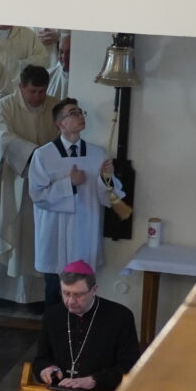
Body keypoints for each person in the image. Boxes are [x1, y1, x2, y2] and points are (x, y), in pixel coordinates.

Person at [27, 98, 125, 303]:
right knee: (55, 294)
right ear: (60, 123)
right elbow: (37, 195)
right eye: (73, 113)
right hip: (55, 234)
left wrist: (107, 177)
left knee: (83, 295)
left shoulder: (97, 153)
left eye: (81, 112)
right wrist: (69, 184)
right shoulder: (43, 155)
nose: (80, 116)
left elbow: (108, 197)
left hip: (85, 233)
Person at [0, 63, 62, 306]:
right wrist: (34, 153)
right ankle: (6, 293)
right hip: (15, 179)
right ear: (21, 87)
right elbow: (1, 137)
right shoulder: (5, 105)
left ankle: (37, 296)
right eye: (32, 92)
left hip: (46, 183)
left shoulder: (54, 106)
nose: (38, 97)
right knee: (13, 230)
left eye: (42, 91)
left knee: (38, 237)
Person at [30, 261, 140, 391]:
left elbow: (130, 366)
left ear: (94, 289)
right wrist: (45, 369)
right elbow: (41, 359)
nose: (70, 301)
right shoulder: (52, 315)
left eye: (78, 295)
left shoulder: (121, 317)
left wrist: (94, 380)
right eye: (66, 293)